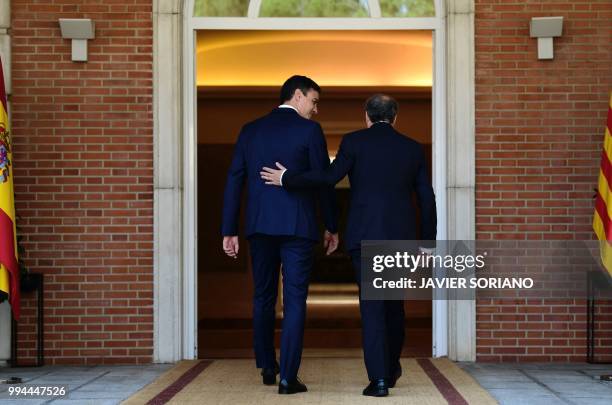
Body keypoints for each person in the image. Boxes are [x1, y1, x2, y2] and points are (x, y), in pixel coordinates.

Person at [260, 94, 436, 397]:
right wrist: (428, 243)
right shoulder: (412, 148)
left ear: (366, 116)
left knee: (372, 308)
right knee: (394, 305)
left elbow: (329, 177)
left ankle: (379, 379)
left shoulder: (354, 142)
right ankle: (391, 368)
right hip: (400, 236)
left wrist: (288, 178)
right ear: (395, 117)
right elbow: (425, 197)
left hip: (364, 235)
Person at [221, 75, 339, 395]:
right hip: (298, 228)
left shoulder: (250, 130)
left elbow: (234, 181)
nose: (315, 109)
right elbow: (323, 181)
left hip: (259, 227)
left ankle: (267, 366)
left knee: (262, 296)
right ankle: (288, 377)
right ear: (297, 96)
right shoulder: (309, 131)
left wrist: (228, 229)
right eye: (313, 101)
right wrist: (331, 224)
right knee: (295, 301)